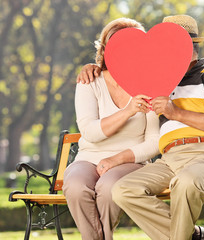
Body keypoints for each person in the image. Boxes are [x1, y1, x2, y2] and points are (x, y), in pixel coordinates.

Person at [79, 15, 204, 240]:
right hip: (169, 158)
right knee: (123, 190)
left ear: (188, 46)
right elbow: (121, 65)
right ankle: (191, 236)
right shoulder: (159, 79)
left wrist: (176, 112)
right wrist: (92, 67)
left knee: (185, 182)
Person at [62, 18, 160, 240]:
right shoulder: (90, 80)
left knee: (108, 188)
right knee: (76, 185)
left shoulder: (151, 82)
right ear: (106, 50)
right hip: (89, 158)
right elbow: (90, 132)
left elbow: (154, 142)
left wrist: (116, 159)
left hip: (130, 162)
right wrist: (128, 111)